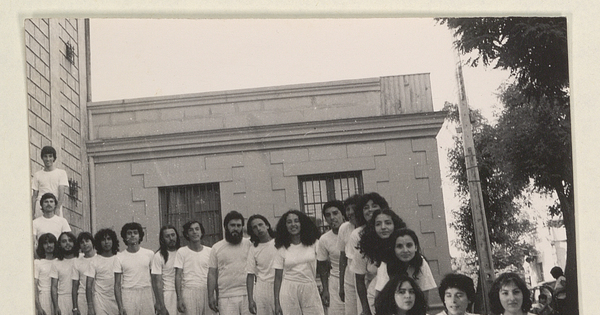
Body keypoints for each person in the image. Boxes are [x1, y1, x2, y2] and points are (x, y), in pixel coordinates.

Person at [354, 208, 406, 315]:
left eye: (388, 223)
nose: (383, 227)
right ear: (373, 227)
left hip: (402, 297)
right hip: (375, 298)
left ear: (395, 225)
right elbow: (359, 281)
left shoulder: (402, 246)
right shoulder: (364, 249)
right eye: (378, 224)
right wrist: (365, 309)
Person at [273, 209, 324, 315]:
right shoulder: (281, 248)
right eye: (289, 222)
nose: (293, 225)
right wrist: (277, 302)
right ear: (285, 226)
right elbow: (278, 278)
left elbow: (323, 267)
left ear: (302, 223)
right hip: (288, 289)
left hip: (309, 286)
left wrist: (325, 288)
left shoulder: (314, 243)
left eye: (296, 221)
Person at [348, 193, 389, 315]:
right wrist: (365, 308)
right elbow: (359, 277)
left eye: (374, 206)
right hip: (372, 290)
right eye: (366, 207)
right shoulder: (358, 235)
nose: (370, 210)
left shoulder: (391, 230)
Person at [374, 228, 437, 305]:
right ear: (393, 249)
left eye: (409, 245)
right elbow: (379, 298)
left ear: (416, 247)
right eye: (399, 246)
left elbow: (424, 298)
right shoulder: (385, 264)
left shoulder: (421, 263)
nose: (405, 250)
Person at [208, 211, 252, 315]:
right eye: (232, 225)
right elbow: (212, 273)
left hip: (248, 295)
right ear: (225, 227)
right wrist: (210, 296)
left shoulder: (249, 244)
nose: (236, 228)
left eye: (238, 225)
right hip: (226, 296)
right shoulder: (216, 247)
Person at [113, 222, 155, 315]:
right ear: (124, 237)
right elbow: (117, 285)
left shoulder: (149, 254)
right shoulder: (119, 257)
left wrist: (157, 302)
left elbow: (155, 280)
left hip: (146, 293)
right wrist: (120, 307)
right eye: (129, 233)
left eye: (135, 233)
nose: (132, 235)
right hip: (128, 294)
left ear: (140, 236)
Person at [174, 220, 213, 315]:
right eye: (191, 230)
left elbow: (214, 274)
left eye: (197, 229)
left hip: (207, 291)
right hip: (189, 292)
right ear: (187, 234)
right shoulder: (181, 252)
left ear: (202, 232)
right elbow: (178, 276)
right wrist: (179, 299)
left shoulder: (210, 251)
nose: (194, 232)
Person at [317, 200, 346, 315]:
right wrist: (325, 289)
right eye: (328, 215)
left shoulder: (353, 232)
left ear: (342, 214)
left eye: (335, 213)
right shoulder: (324, 239)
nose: (332, 217)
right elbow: (322, 266)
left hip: (355, 280)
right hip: (335, 283)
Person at [245, 214, 277, 315]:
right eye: (254, 227)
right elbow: (250, 275)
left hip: (281, 286)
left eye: (260, 224)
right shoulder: (253, 249)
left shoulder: (279, 243)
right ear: (252, 231)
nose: (258, 228)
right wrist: (250, 300)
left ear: (267, 225)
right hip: (262, 290)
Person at [85, 228, 120, 315]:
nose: (106, 242)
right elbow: (89, 285)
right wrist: (90, 307)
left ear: (113, 241)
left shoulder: (119, 258)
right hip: (100, 300)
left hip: (117, 300)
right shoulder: (94, 261)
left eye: (109, 239)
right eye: (103, 240)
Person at [338, 194, 361, 315]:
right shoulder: (344, 228)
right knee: (351, 310)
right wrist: (341, 285)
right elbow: (342, 257)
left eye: (354, 208)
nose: (350, 212)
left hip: (364, 273)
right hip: (349, 272)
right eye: (347, 209)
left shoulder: (368, 227)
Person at [31, 145, 69, 218]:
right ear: (42, 158)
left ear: (54, 158)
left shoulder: (61, 173)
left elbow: (61, 192)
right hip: (40, 206)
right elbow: (35, 195)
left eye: (50, 156)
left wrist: (57, 208)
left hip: (54, 205)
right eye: (45, 156)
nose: (48, 159)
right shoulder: (37, 174)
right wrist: (32, 213)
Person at [152, 225, 181, 315]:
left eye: (173, 235)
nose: (171, 238)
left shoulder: (182, 252)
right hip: (168, 296)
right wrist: (161, 305)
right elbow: (157, 283)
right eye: (167, 236)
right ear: (162, 239)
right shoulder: (158, 256)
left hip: (184, 293)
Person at [50, 231, 79, 315]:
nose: (67, 243)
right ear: (59, 244)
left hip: (80, 299)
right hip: (63, 300)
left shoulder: (80, 259)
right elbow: (54, 287)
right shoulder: (56, 262)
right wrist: (56, 307)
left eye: (70, 240)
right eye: (64, 241)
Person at [72, 232, 96, 315]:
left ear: (92, 242)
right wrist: (75, 307)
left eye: (87, 241)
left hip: (99, 296)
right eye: (82, 242)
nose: (85, 244)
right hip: (83, 298)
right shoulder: (77, 261)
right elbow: (75, 285)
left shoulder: (99, 258)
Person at [34, 233, 57, 315]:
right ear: (41, 246)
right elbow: (34, 286)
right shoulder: (37, 263)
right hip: (44, 297)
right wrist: (38, 307)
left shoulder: (59, 261)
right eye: (45, 243)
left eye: (51, 242)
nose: (48, 245)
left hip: (59, 296)